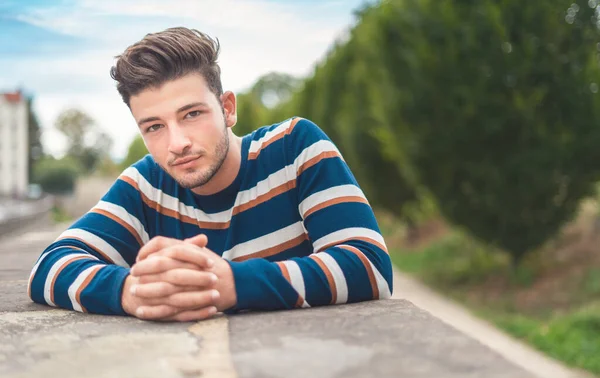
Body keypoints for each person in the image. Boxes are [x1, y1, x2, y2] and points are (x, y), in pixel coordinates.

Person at [27, 27, 393, 322]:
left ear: (227, 109)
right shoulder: (144, 186)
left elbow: (370, 265)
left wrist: (229, 284)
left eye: (192, 114)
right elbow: (48, 267)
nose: (177, 143)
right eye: (154, 127)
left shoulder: (295, 147)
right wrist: (132, 291)